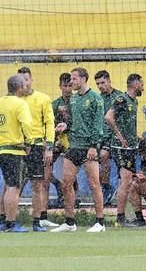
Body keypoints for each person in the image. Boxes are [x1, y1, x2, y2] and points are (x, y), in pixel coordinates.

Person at [50, 67, 105, 233]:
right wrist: (65, 126)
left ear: (83, 79)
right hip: (73, 146)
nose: (71, 82)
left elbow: (98, 124)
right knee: (67, 184)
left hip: (88, 148)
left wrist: (93, 146)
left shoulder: (96, 99)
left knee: (94, 184)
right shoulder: (73, 99)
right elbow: (73, 121)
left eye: (74, 79)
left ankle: (100, 222)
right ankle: (69, 222)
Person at [0, 74, 33, 233]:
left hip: (1, 151)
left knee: (7, 186)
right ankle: (11, 223)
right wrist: (28, 143)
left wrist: (0, 141)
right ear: (19, 88)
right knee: (14, 187)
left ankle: (3, 221)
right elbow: (26, 124)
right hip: (15, 150)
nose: (27, 87)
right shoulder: (20, 104)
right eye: (25, 85)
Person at [17, 67, 55, 232]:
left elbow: (49, 123)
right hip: (18, 147)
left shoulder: (43, 99)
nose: (24, 82)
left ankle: (37, 221)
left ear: (31, 80)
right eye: (21, 80)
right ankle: (7, 220)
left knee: (37, 185)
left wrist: (49, 147)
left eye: (26, 79)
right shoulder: (13, 100)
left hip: (37, 147)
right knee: (12, 186)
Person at [105, 73, 143, 226]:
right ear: (134, 84)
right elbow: (108, 117)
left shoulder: (134, 101)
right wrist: (119, 136)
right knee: (126, 182)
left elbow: (127, 122)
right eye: (141, 83)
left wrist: (135, 137)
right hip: (121, 147)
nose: (143, 86)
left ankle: (135, 217)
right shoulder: (121, 99)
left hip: (131, 146)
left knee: (129, 182)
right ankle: (120, 218)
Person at [94, 70, 122, 206]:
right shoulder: (98, 99)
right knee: (97, 158)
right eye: (98, 84)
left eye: (103, 83)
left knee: (105, 156)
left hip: (118, 136)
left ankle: (116, 188)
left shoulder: (119, 97)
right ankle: (105, 188)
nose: (100, 86)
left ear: (109, 81)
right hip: (103, 137)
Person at [49, 72, 75, 211]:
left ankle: (72, 200)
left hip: (74, 142)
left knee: (71, 173)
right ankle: (58, 186)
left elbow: (79, 123)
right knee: (45, 166)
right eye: (65, 86)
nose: (67, 89)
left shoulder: (77, 102)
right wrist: (53, 141)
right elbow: (49, 124)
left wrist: (67, 119)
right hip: (58, 141)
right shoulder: (55, 104)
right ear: (60, 86)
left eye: (70, 85)